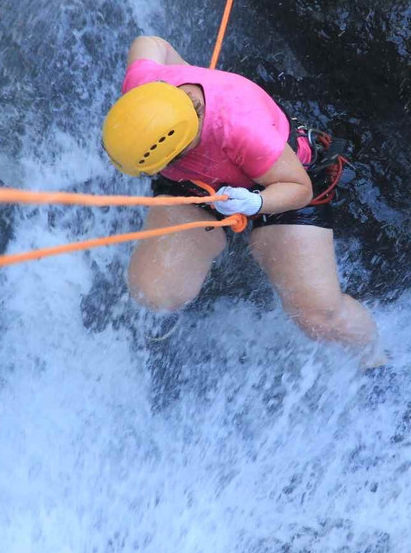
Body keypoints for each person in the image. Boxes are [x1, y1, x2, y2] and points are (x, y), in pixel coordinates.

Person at [102, 36, 379, 358]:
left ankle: (374, 359)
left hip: (284, 182)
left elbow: (298, 188)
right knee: (153, 293)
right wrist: (191, 72)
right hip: (198, 187)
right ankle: (191, 279)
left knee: (321, 318)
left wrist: (256, 202)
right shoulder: (142, 85)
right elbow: (151, 42)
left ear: (176, 148)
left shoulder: (240, 129)